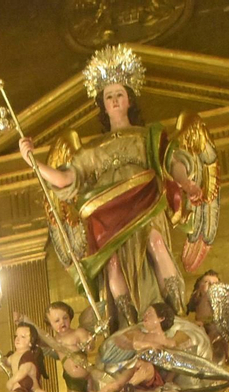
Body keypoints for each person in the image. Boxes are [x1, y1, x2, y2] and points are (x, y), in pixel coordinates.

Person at [20, 45, 209, 329]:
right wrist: (32, 160)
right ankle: (127, 323)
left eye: (119, 94)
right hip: (107, 216)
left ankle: (174, 312)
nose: (115, 100)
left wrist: (187, 183)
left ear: (129, 99)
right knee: (112, 265)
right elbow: (65, 180)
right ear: (103, 105)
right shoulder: (92, 149)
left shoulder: (147, 136)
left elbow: (171, 161)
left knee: (156, 243)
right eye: (109, 96)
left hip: (145, 202)